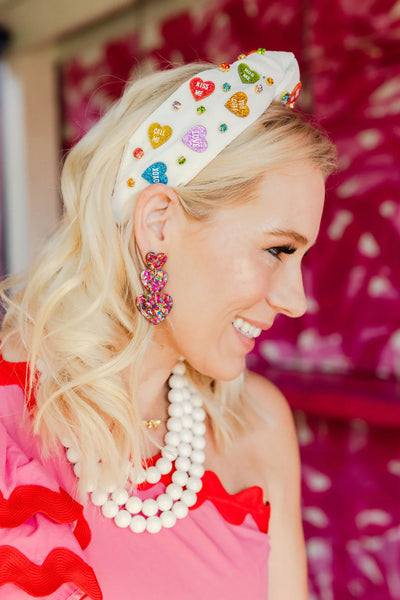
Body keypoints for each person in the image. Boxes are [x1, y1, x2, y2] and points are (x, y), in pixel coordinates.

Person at [0, 49, 337, 599]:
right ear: (158, 223)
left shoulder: (258, 424)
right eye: (278, 249)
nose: (296, 300)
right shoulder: (12, 427)